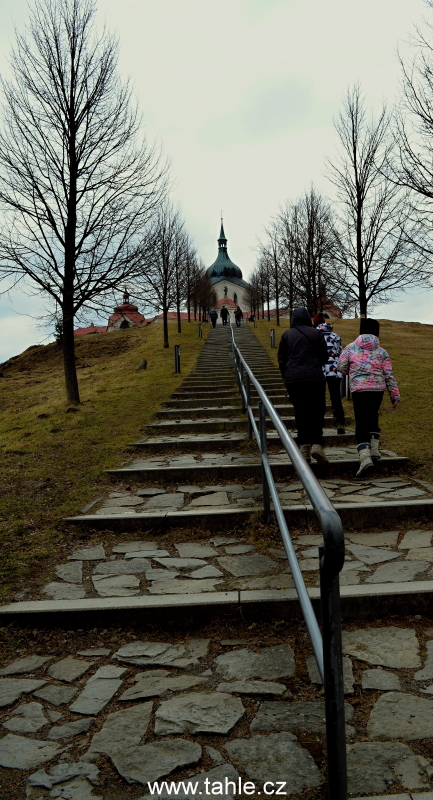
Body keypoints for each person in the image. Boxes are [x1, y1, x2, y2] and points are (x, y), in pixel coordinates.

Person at [337, 318, 400, 478]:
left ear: (361, 330)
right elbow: (389, 375)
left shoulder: (350, 347)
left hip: (359, 388)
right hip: (377, 388)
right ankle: (374, 450)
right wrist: (394, 395)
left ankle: (364, 457)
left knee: (361, 420)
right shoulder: (382, 351)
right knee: (372, 416)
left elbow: (341, 367)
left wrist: (352, 370)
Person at [277, 307, 329, 464]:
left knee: (301, 412)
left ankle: (304, 446)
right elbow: (324, 357)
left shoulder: (286, 335)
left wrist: (287, 376)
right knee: (317, 410)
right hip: (314, 378)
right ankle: (317, 444)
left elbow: (281, 359)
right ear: (308, 318)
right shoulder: (317, 333)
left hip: (294, 379)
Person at [316, 322, 345, 434]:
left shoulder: (317, 337)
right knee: (336, 397)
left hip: (321, 370)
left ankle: (319, 424)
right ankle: (339, 422)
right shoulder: (336, 336)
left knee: (320, 398)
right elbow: (340, 352)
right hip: (334, 370)